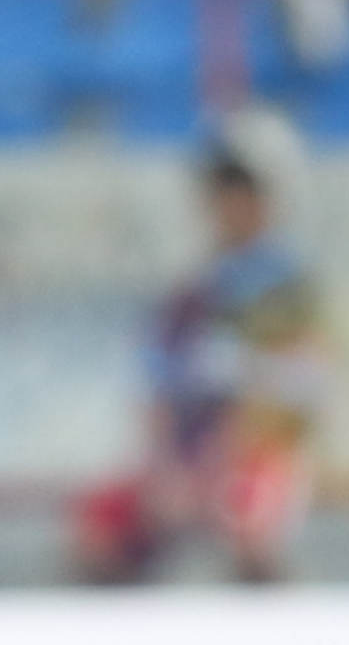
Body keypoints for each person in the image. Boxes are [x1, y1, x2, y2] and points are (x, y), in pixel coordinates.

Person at [75, 112, 324, 587]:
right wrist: (165, 463)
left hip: (254, 457)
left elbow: (289, 402)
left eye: (243, 193)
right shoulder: (189, 293)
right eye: (222, 193)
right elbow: (155, 387)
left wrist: (217, 464)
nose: (231, 206)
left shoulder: (288, 291)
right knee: (100, 528)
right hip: (183, 460)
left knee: (249, 524)